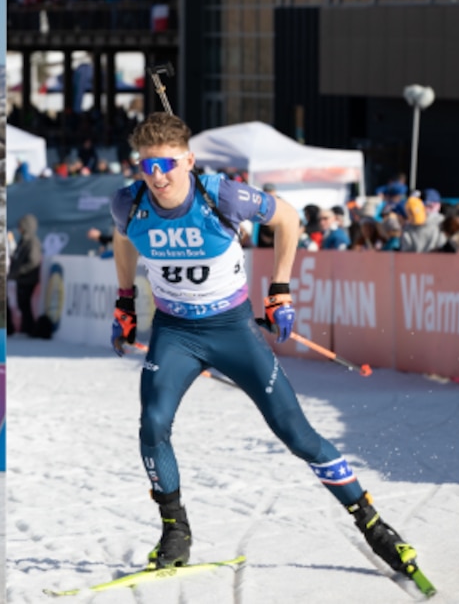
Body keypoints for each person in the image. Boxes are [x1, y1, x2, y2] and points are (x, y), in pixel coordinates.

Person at [105, 113, 423, 578]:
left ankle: (372, 523)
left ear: (189, 161)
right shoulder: (129, 203)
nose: (159, 177)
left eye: (168, 165)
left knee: (296, 434)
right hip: (175, 332)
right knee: (152, 424)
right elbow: (122, 239)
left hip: (232, 330)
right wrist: (125, 300)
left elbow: (288, 218)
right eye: (148, 167)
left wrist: (280, 290)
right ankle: (175, 530)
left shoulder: (220, 194)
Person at [11, 214, 43, 336]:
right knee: (22, 304)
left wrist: (19, 271)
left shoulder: (32, 242)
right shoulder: (23, 241)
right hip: (21, 279)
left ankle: (29, 328)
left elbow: (33, 261)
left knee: (25, 305)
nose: (19, 229)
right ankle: (26, 328)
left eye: (21, 226)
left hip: (27, 279)